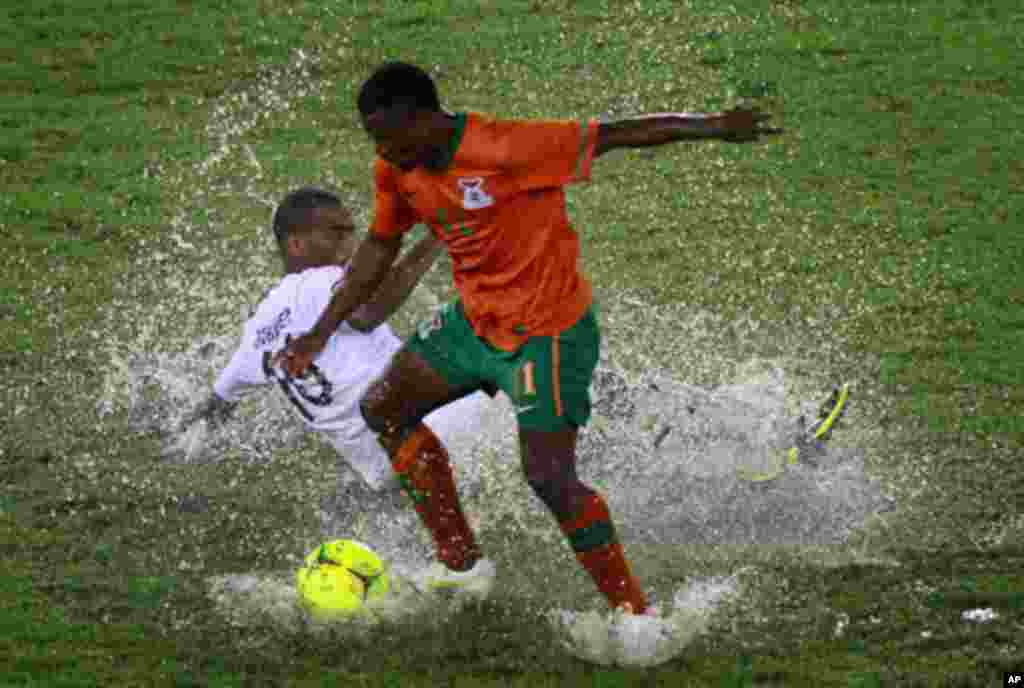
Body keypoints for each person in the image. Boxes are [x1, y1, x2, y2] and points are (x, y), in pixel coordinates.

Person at [276, 62, 780, 614]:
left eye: (388, 136)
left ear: (424, 118)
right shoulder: (397, 168)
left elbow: (612, 135)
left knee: (548, 477)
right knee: (383, 408)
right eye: (373, 138)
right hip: (474, 323)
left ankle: (636, 616)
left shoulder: (508, 146)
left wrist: (715, 125)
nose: (381, 150)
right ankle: (462, 565)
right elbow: (380, 244)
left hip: (548, 330)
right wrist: (319, 333)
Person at [180, 186, 491, 494]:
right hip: (436, 427)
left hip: (381, 471)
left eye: (351, 233)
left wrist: (182, 441)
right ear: (297, 244)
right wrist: (438, 234)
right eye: (337, 234)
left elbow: (217, 404)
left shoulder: (255, 337)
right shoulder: (320, 280)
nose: (351, 245)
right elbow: (367, 313)